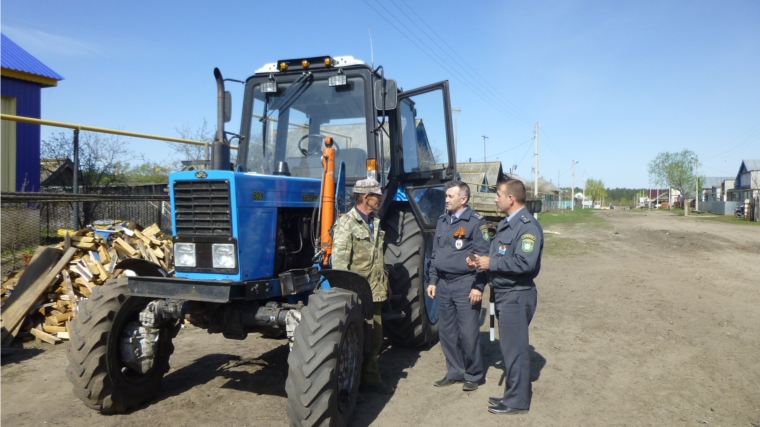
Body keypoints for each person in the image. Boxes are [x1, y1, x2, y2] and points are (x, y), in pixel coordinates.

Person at [467, 178, 543, 415]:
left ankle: (517, 402)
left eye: (498, 193)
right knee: (509, 350)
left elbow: (525, 263)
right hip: (505, 294)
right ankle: (511, 395)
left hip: (516, 295)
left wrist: (492, 262)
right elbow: (499, 255)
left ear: (511, 198)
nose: (495, 198)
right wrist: (482, 262)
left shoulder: (527, 226)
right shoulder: (507, 224)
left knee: (516, 351)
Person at [332, 178, 395, 395]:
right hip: (355, 295)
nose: (381, 199)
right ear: (366, 197)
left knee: (375, 338)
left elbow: (378, 258)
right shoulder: (346, 223)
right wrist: (347, 297)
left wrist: (385, 285)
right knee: (355, 340)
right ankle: (352, 386)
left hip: (375, 292)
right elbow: (339, 265)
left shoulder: (374, 222)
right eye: (378, 195)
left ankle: (371, 378)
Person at [426, 180, 490, 391]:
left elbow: (483, 257)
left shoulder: (476, 222)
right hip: (444, 284)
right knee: (447, 333)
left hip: (466, 284)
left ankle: (474, 374)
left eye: (450, 196)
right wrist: (433, 279)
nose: (446, 199)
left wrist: (478, 287)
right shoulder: (443, 221)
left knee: (469, 333)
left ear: (464, 199)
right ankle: (455, 371)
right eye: (446, 196)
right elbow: (436, 253)